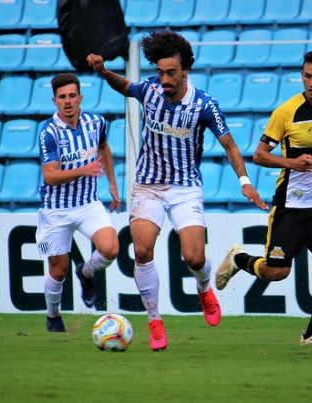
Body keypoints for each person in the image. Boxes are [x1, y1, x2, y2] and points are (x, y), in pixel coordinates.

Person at [87, 31, 268, 351]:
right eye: (160, 72)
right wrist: (103, 72)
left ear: (186, 71)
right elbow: (124, 86)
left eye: (171, 73)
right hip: (148, 185)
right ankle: (155, 321)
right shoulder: (150, 91)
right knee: (142, 251)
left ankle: (203, 288)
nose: (165, 79)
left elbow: (230, 146)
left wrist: (245, 182)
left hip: (185, 187)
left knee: (194, 257)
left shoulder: (204, 104)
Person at [215, 50, 312, 347]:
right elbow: (259, 155)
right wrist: (291, 162)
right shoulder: (288, 112)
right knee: (277, 272)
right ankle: (238, 258)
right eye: (307, 76)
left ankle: (311, 334)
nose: (311, 83)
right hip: (291, 206)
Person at [36, 73, 121, 333]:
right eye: (62, 97)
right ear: (54, 101)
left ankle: (85, 272)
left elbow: (103, 147)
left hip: (87, 203)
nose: (68, 101)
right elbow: (49, 176)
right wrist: (83, 170)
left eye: (72, 95)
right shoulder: (48, 132)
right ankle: (53, 316)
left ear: (80, 97)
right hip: (56, 209)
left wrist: (113, 184)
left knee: (111, 248)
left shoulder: (96, 122)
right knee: (58, 271)